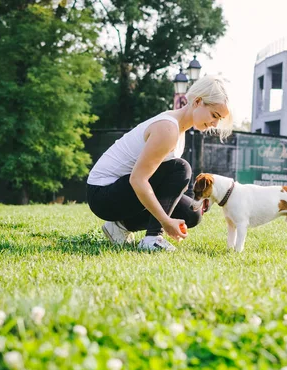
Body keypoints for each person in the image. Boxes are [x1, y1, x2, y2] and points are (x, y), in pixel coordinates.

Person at [86, 75, 232, 251]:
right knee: (181, 168)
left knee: (191, 213)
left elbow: (160, 183)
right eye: (214, 115)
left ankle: (119, 226)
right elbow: (138, 179)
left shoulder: (179, 131)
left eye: (219, 119)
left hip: (118, 191)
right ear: (198, 101)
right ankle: (152, 239)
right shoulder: (168, 129)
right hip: (102, 194)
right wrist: (164, 221)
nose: (215, 123)